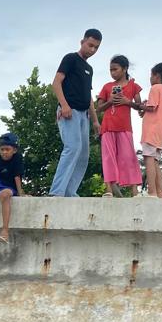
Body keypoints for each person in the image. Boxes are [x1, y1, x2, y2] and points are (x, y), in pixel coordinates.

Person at [50, 30, 103, 197]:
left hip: (83, 115)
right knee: (72, 148)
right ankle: (56, 191)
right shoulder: (70, 58)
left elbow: (89, 98)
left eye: (96, 47)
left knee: (83, 154)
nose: (92, 50)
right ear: (82, 42)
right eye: (90, 45)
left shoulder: (89, 69)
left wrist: (95, 121)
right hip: (69, 111)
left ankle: (69, 191)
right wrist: (64, 105)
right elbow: (56, 82)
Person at [95, 55, 144, 197]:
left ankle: (135, 190)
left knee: (128, 157)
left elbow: (139, 106)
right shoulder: (107, 87)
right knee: (108, 157)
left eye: (115, 69)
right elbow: (99, 108)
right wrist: (110, 101)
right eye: (111, 70)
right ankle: (108, 190)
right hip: (108, 127)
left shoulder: (133, 86)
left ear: (125, 69)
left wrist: (127, 101)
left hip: (125, 127)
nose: (112, 73)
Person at [140, 63, 162, 199]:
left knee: (148, 158)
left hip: (151, 129)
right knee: (155, 161)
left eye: (151, 75)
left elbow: (152, 107)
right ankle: (161, 192)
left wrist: (141, 106)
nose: (150, 78)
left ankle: (152, 191)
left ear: (157, 75)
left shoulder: (156, 88)